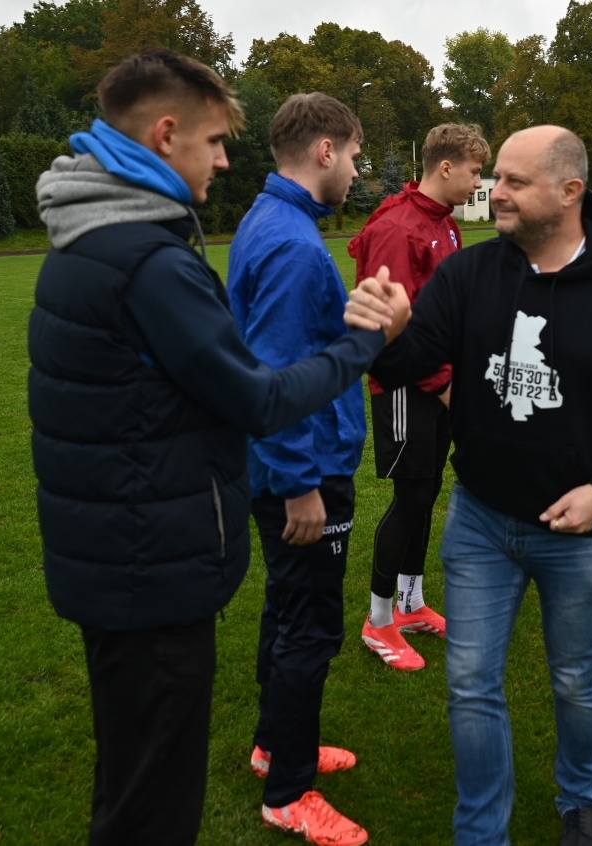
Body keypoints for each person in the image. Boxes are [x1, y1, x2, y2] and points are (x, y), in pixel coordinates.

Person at [29, 52, 399, 846]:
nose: (227, 159)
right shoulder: (146, 263)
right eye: (213, 141)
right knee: (153, 803)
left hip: (120, 553)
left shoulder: (92, 243)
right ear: (166, 135)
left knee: (135, 772)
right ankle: (286, 783)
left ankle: (277, 749)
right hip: (150, 564)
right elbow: (259, 393)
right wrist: (365, 341)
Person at [359, 125, 592, 846]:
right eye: (496, 179)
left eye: (513, 181)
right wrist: (387, 334)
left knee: (577, 679)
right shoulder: (472, 274)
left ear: (570, 192)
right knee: (471, 683)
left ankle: (582, 797)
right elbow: (411, 362)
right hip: (481, 520)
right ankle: (482, 831)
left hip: (576, 534)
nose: (495, 192)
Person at [227, 92, 375, 845]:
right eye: (353, 155)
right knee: (310, 627)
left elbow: (293, 342)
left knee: (287, 611)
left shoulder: (275, 221)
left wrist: (351, 312)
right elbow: (277, 373)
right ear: (324, 150)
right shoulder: (289, 242)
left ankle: (272, 746)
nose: (355, 171)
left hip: (296, 463)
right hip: (303, 472)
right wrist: (301, 486)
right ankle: (288, 792)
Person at [348, 123, 490, 671]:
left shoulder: (444, 224)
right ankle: (378, 620)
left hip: (441, 381)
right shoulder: (398, 228)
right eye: (476, 171)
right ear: (447, 166)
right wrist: (444, 384)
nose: (479, 182)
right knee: (410, 497)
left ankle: (409, 603)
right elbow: (394, 328)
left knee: (427, 492)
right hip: (407, 385)